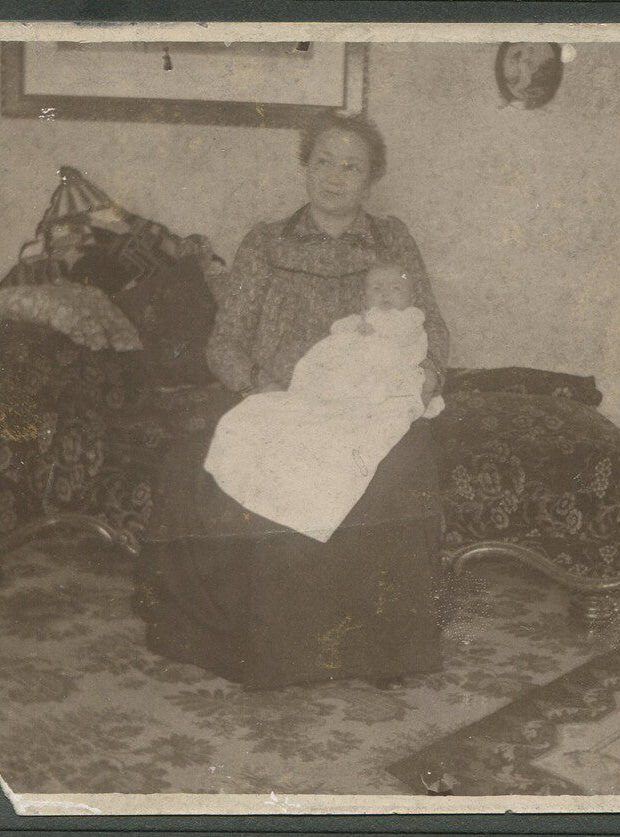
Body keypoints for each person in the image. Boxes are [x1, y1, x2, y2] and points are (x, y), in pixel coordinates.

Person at [134, 111, 449, 690]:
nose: (334, 177)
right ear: (305, 167)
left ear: (372, 178)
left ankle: (373, 650)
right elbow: (224, 342)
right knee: (230, 461)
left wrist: (423, 376)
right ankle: (269, 645)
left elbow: (429, 325)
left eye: (351, 167)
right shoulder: (266, 242)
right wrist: (260, 385)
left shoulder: (392, 240)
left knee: (395, 467)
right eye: (323, 161)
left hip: (367, 399)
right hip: (281, 396)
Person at [202, 262, 444, 544]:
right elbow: (335, 340)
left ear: (412, 298)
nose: (386, 295)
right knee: (263, 416)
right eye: (377, 288)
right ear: (364, 297)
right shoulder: (357, 320)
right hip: (343, 383)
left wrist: (378, 335)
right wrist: (355, 331)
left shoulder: (411, 319)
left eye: (396, 288)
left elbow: (408, 345)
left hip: (381, 381)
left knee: (354, 434)